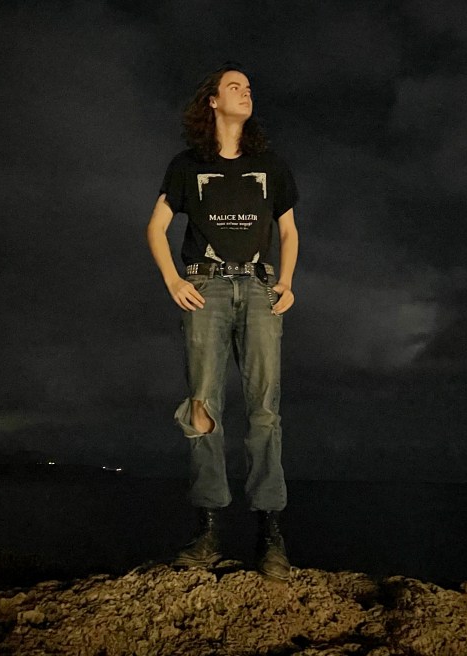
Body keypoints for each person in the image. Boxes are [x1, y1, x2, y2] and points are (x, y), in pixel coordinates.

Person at [146, 64, 299, 580]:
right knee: (202, 406)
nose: (245, 92)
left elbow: (289, 231)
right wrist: (173, 281)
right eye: (234, 86)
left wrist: (287, 282)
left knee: (265, 410)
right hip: (206, 287)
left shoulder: (270, 165)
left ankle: (270, 534)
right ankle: (208, 528)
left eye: (249, 87)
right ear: (211, 101)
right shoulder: (187, 165)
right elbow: (156, 226)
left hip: (259, 288)